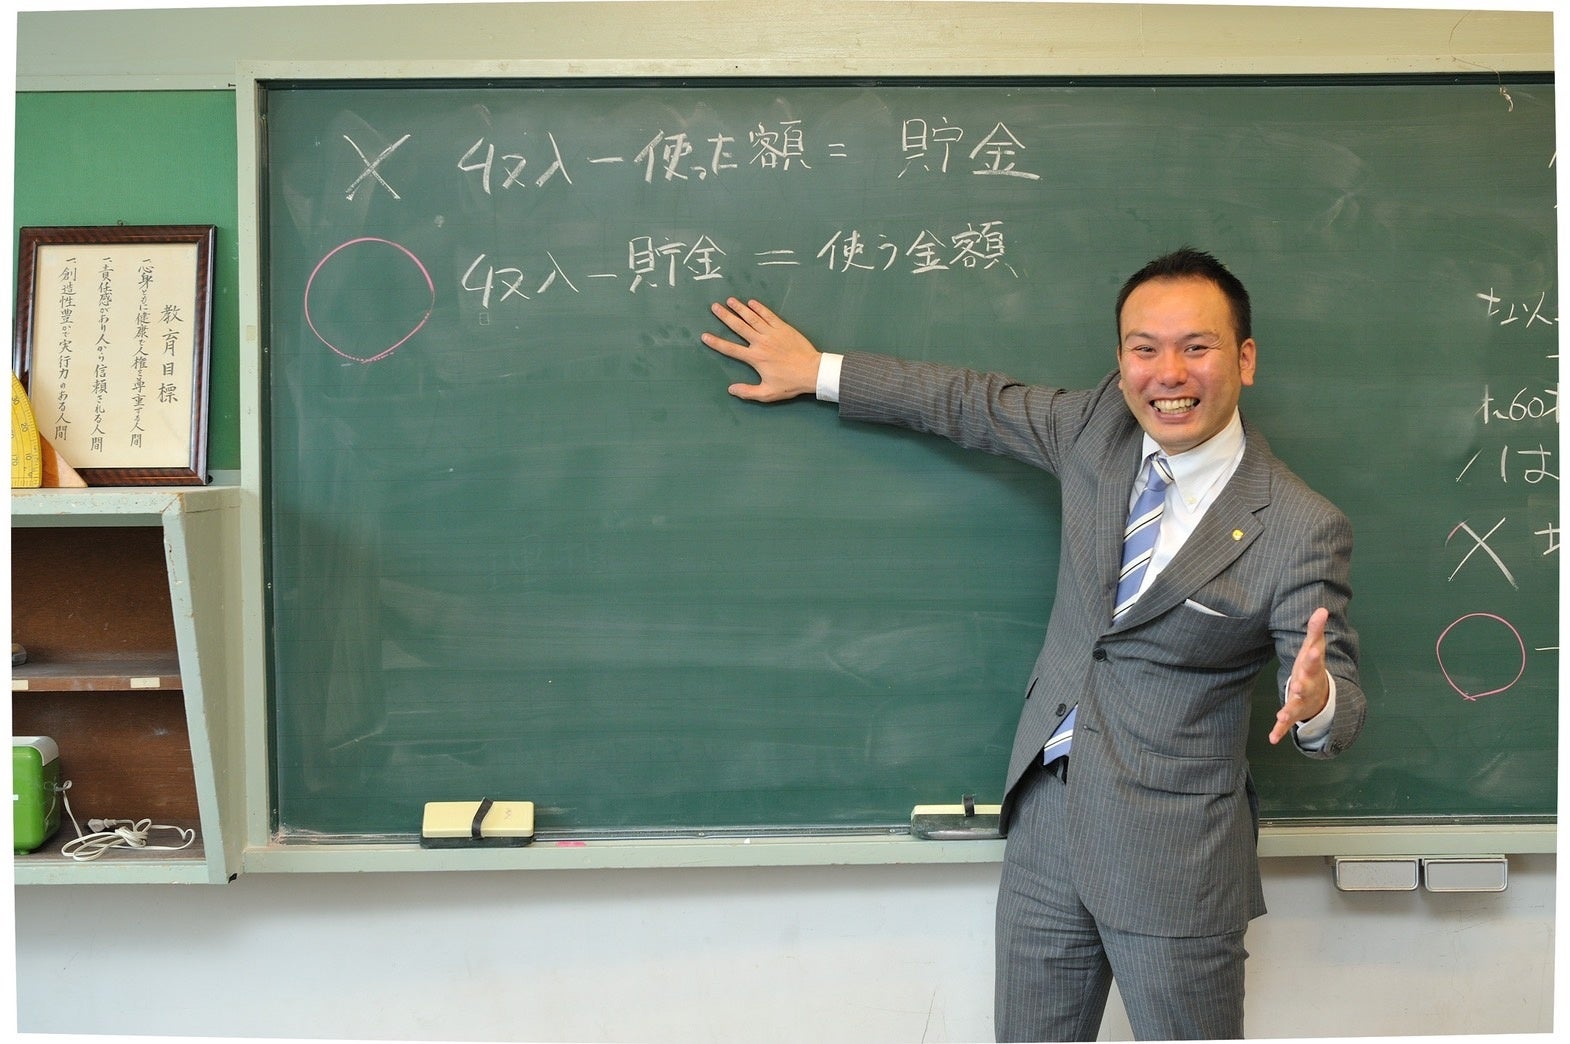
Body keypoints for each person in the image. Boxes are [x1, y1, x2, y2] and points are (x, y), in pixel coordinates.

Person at [700, 247, 1367, 1042]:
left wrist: (1316, 702)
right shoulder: (1096, 429)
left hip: (1175, 858)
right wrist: (818, 371)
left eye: (1197, 347)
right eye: (1145, 348)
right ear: (1121, 360)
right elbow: (968, 403)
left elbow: (1337, 695)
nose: (1169, 373)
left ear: (1245, 359)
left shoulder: (1298, 525)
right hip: (1046, 827)